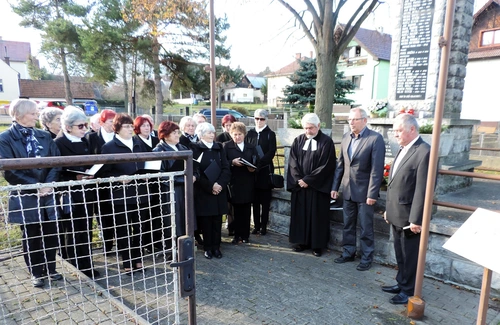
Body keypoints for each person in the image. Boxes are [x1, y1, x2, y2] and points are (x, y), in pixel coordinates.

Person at [0, 99, 62, 287]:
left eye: (37, 113)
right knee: (31, 234)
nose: (37, 116)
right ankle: (36, 272)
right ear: (19, 115)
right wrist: (36, 186)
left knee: (51, 231)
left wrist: (48, 184)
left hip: (48, 192)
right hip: (26, 194)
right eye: (33, 113)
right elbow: (9, 170)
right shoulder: (5, 139)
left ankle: (51, 268)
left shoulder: (44, 136)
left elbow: (56, 161)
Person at [382, 113, 430, 305]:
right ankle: (401, 282)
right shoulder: (403, 149)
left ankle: (408, 290)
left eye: (399, 130)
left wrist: (416, 219)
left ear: (412, 129)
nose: (396, 135)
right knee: (399, 252)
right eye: (394, 131)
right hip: (396, 211)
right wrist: (388, 209)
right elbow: (394, 182)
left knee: (410, 254)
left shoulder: (424, 151)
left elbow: (423, 188)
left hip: (410, 215)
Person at [331, 107, 386, 271]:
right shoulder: (346, 137)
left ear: (364, 120)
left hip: (365, 193)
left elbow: (377, 170)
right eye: (349, 119)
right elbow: (340, 165)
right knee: (348, 224)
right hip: (347, 190)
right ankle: (348, 252)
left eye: (355, 119)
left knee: (365, 227)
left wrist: (372, 193)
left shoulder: (375, 139)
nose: (351, 122)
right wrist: (335, 187)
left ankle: (366, 257)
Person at [54, 106, 100, 278]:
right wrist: (75, 176)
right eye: (80, 126)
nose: (85, 129)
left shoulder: (85, 141)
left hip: (86, 191)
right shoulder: (58, 144)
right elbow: (56, 170)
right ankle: (75, 264)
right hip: (69, 193)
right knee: (72, 229)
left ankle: (86, 263)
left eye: (86, 125)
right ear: (68, 127)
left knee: (86, 229)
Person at [99, 113, 148, 274]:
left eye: (131, 126)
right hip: (120, 196)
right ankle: (127, 262)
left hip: (139, 193)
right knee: (123, 230)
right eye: (126, 126)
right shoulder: (109, 147)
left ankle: (138, 259)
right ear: (117, 129)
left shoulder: (138, 143)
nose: (130, 129)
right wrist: (117, 179)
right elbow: (102, 173)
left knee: (139, 228)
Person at [287, 113, 336, 257]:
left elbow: (326, 165)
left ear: (318, 126)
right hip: (300, 187)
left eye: (311, 128)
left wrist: (308, 180)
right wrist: (299, 180)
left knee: (317, 218)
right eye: (306, 128)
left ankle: (317, 245)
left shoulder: (326, 142)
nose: (308, 131)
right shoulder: (298, 140)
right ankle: (301, 242)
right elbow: (292, 162)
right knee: (300, 216)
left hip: (317, 188)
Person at [153, 121, 197, 255]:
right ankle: (171, 250)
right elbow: (160, 175)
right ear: (165, 135)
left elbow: (194, 166)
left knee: (186, 220)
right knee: (173, 221)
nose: (178, 135)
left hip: (186, 190)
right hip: (170, 192)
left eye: (178, 132)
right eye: (174, 133)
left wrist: (194, 175)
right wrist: (182, 179)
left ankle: (186, 248)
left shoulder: (183, 148)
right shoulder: (158, 151)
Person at [191, 122, 231, 259]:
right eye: (209, 132)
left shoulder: (219, 147)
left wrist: (220, 184)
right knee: (206, 222)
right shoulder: (195, 148)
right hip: (204, 192)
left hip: (219, 191)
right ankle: (208, 248)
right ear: (201, 134)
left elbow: (226, 168)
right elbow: (196, 171)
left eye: (213, 132)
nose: (212, 135)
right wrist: (210, 186)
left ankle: (216, 247)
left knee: (217, 221)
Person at [86, 109, 116, 253]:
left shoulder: (118, 136)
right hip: (99, 182)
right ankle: (107, 243)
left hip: (116, 181)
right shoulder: (92, 138)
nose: (113, 124)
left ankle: (117, 240)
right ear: (102, 123)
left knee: (117, 212)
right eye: (111, 121)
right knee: (102, 213)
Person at [223, 122, 257, 244]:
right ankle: (237, 235)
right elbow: (223, 163)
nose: (237, 137)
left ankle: (246, 235)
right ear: (230, 134)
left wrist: (253, 167)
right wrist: (232, 162)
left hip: (247, 181)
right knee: (235, 210)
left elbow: (256, 160)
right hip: (234, 182)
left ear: (245, 134)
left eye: (240, 134)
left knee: (246, 210)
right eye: (235, 134)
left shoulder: (251, 146)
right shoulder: (226, 146)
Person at [246, 109, 276, 236]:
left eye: (262, 119)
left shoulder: (270, 134)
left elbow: (271, 151)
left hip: (264, 171)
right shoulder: (250, 133)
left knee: (265, 201)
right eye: (257, 118)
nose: (259, 121)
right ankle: (256, 225)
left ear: (266, 120)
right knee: (255, 201)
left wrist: (260, 164)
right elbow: (247, 149)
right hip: (252, 172)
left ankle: (264, 226)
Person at [216, 114, 237, 236]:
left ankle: (233, 225)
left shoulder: (238, 136)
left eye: (230, 125)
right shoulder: (221, 138)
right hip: (226, 172)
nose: (228, 128)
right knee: (228, 203)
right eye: (226, 125)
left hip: (237, 174)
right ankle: (229, 226)